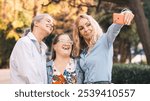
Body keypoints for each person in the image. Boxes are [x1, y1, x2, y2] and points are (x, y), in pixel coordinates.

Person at [72, 9, 134, 84]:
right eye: (81, 28)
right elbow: (79, 79)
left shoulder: (105, 40)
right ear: (79, 34)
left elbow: (115, 27)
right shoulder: (82, 53)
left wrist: (125, 13)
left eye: (88, 25)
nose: (86, 29)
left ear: (94, 25)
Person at [10, 13, 55, 84]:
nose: (51, 25)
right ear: (36, 23)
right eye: (48, 21)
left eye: (52, 24)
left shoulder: (43, 49)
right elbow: (29, 75)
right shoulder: (24, 43)